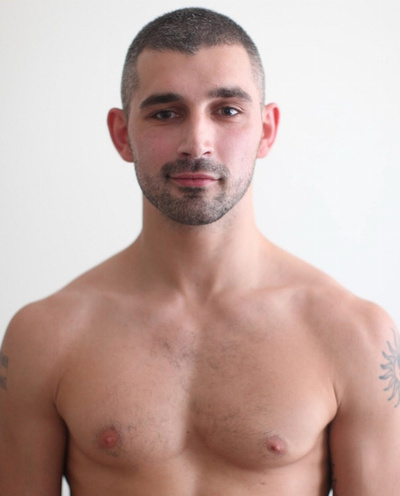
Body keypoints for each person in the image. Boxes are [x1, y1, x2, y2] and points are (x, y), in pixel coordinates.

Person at [0, 7, 399, 495]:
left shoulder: (353, 335)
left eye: (227, 110)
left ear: (267, 129)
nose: (197, 143)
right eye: (165, 113)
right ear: (122, 134)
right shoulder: (45, 337)